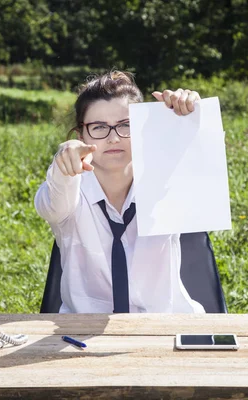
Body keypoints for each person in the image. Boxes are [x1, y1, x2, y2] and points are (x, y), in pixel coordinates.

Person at [34, 70, 204, 313]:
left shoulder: (168, 183)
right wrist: (62, 166)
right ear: (80, 134)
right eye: (99, 127)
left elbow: (201, 163)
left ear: (144, 129)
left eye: (126, 125)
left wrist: (190, 113)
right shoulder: (71, 190)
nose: (113, 138)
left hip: (165, 327)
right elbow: (50, 204)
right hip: (83, 332)